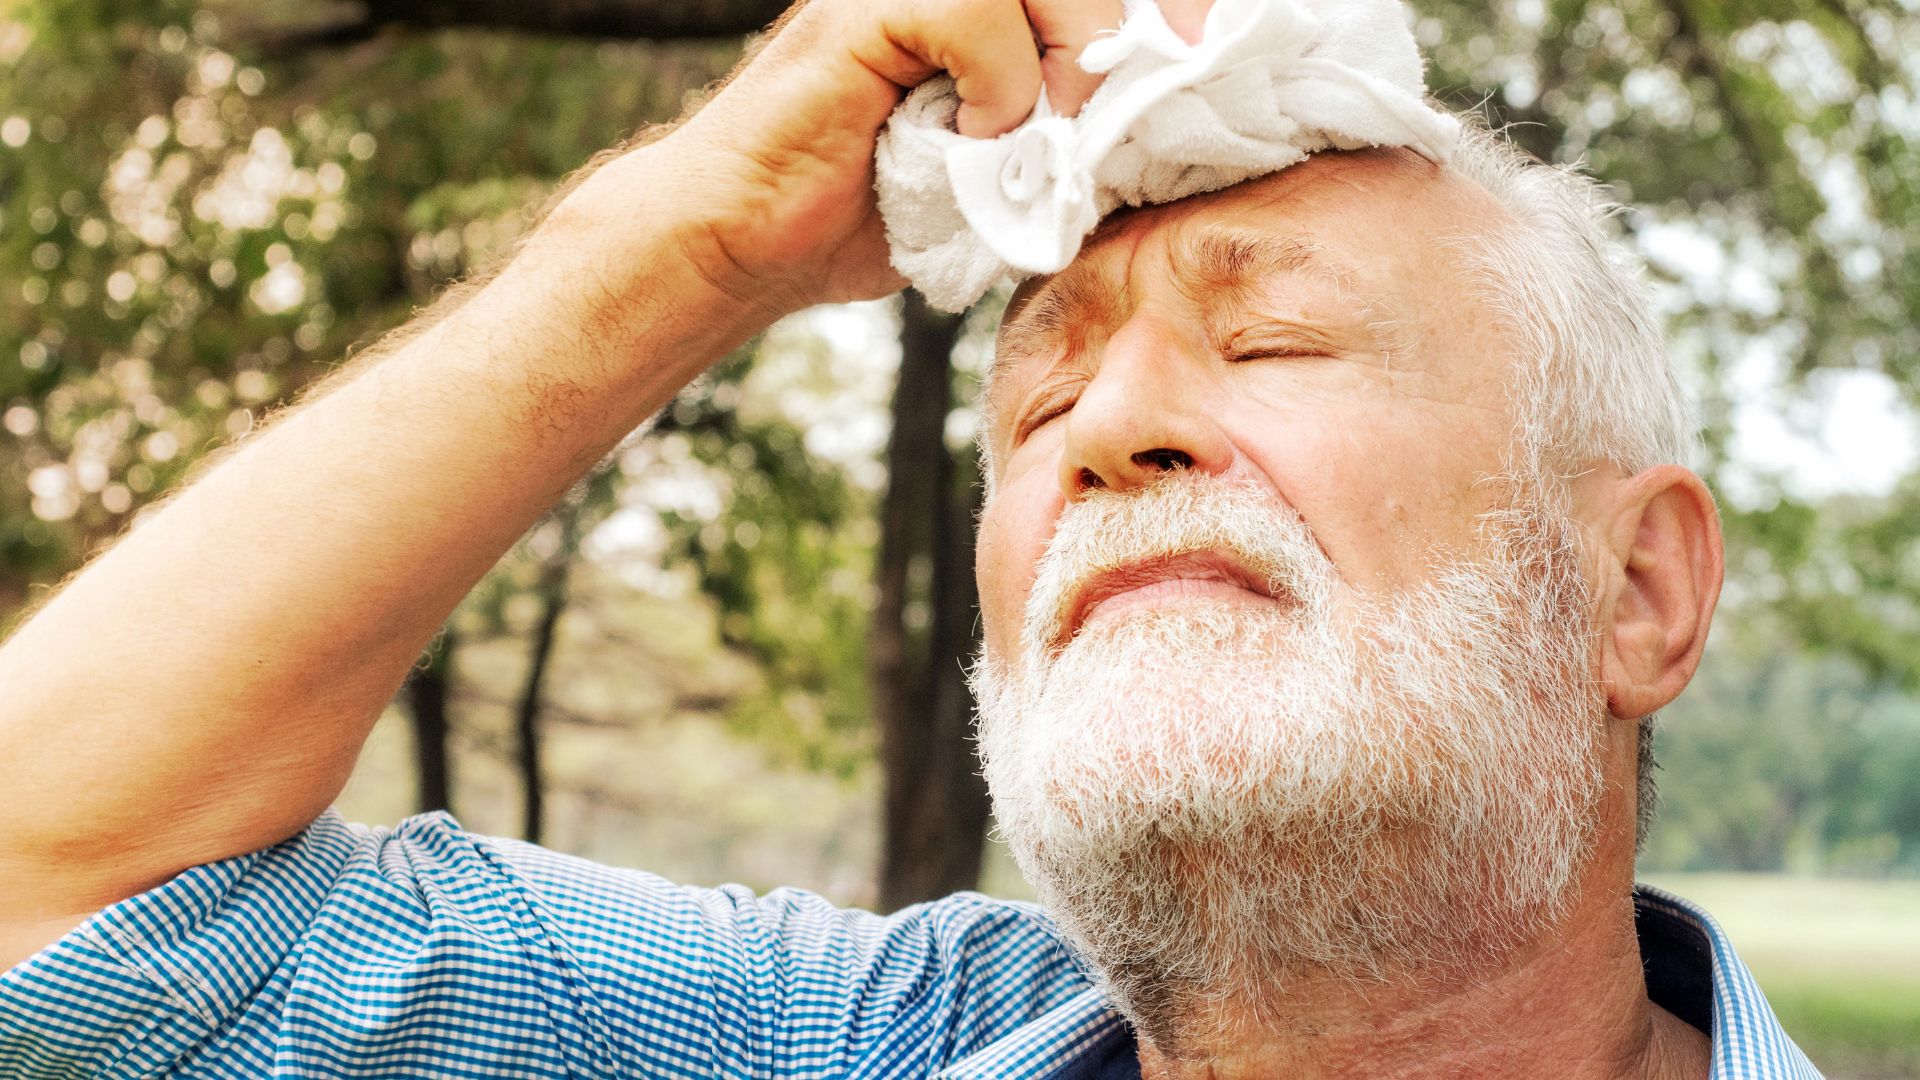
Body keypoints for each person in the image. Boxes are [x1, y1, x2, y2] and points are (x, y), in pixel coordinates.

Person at [0, 0, 1821, 1077]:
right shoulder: (861, 1040)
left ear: (1638, 591)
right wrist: (693, 245)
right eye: (1033, 407)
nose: (1109, 425)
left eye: (1272, 339)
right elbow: (56, 903)